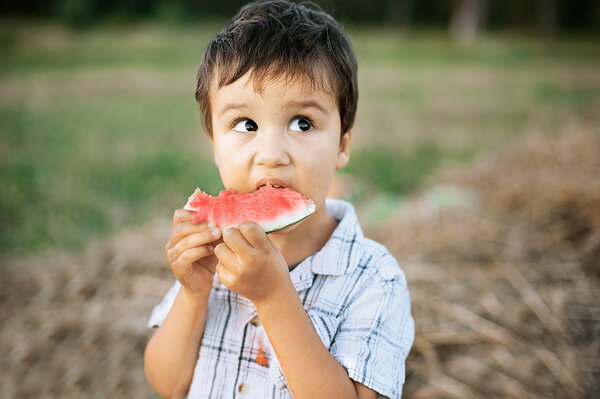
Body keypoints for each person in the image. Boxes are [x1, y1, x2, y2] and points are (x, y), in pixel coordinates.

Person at [143, 1, 414, 398]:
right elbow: (167, 383)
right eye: (245, 124)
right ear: (215, 146)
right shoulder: (212, 255)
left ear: (342, 145)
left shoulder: (374, 279)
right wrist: (194, 293)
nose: (271, 153)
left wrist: (273, 296)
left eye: (302, 123)